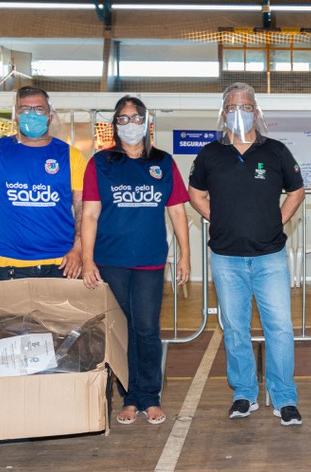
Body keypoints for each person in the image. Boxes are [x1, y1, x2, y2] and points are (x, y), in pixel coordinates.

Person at [188, 82, 305, 426]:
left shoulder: (276, 151)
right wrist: (219, 219)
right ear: (223, 113)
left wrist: (277, 220)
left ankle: (284, 397)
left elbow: (297, 191)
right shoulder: (209, 154)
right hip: (226, 259)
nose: (239, 112)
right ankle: (244, 393)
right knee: (235, 329)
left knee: (279, 328)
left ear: (256, 112)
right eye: (233, 107)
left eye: (246, 106)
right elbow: (196, 194)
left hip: (270, 257)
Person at [81, 96, 190, 426]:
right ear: (115, 125)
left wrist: (185, 255)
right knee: (122, 331)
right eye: (123, 119)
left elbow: (177, 212)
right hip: (110, 261)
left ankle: (150, 396)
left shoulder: (163, 163)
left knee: (146, 329)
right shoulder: (100, 163)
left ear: (146, 122)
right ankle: (129, 396)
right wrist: (87, 259)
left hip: (149, 261)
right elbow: (90, 214)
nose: (130, 124)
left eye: (136, 118)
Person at [0, 86, 85, 285]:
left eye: (39, 109)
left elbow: (83, 210)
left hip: (62, 264)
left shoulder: (72, 156)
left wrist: (78, 250)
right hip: (9, 265)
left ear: (50, 116)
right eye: (25, 109)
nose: (32, 114)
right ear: (16, 116)